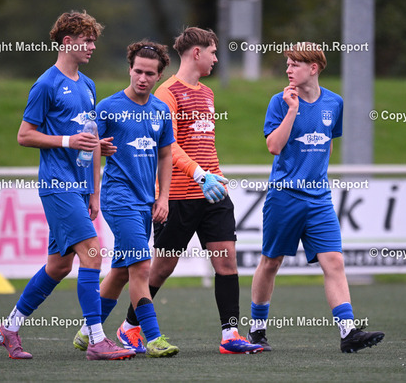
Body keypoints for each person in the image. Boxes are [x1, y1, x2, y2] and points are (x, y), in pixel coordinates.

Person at [0, 11, 134, 360]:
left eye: (94, 40)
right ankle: (97, 340)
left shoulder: (88, 85)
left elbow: (90, 137)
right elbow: (25, 135)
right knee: (93, 253)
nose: (93, 46)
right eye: (87, 40)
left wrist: (95, 188)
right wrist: (68, 141)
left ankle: (8, 328)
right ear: (67, 42)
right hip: (57, 184)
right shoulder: (46, 84)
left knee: (58, 266)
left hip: (80, 188)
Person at [115, 27, 263, 354]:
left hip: (213, 195)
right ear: (197, 53)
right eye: (213, 52)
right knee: (161, 268)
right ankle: (129, 327)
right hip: (178, 197)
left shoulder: (207, 93)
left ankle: (230, 335)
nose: (216, 59)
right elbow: (168, 147)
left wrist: (215, 176)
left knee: (226, 261)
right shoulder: (167, 92)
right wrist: (198, 174)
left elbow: (203, 144)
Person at [248, 42, 385, 353]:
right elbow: (274, 146)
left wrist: (315, 175)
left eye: (294, 64)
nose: (288, 69)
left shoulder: (334, 103)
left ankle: (348, 332)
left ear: (313, 68)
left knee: (334, 261)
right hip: (284, 196)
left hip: (319, 199)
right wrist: (292, 110)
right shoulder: (280, 102)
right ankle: (257, 330)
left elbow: (328, 144)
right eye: (287, 63)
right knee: (271, 262)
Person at [71, 40, 179, 357]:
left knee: (121, 271)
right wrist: (94, 154)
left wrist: (163, 198)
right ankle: (153, 338)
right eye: (137, 71)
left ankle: (87, 333)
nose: (142, 78)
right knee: (142, 267)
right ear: (129, 69)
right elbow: (84, 151)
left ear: (159, 76)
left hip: (147, 201)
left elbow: (166, 155)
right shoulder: (108, 107)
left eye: (149, 73)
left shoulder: (161, 110)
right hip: (119, 199)